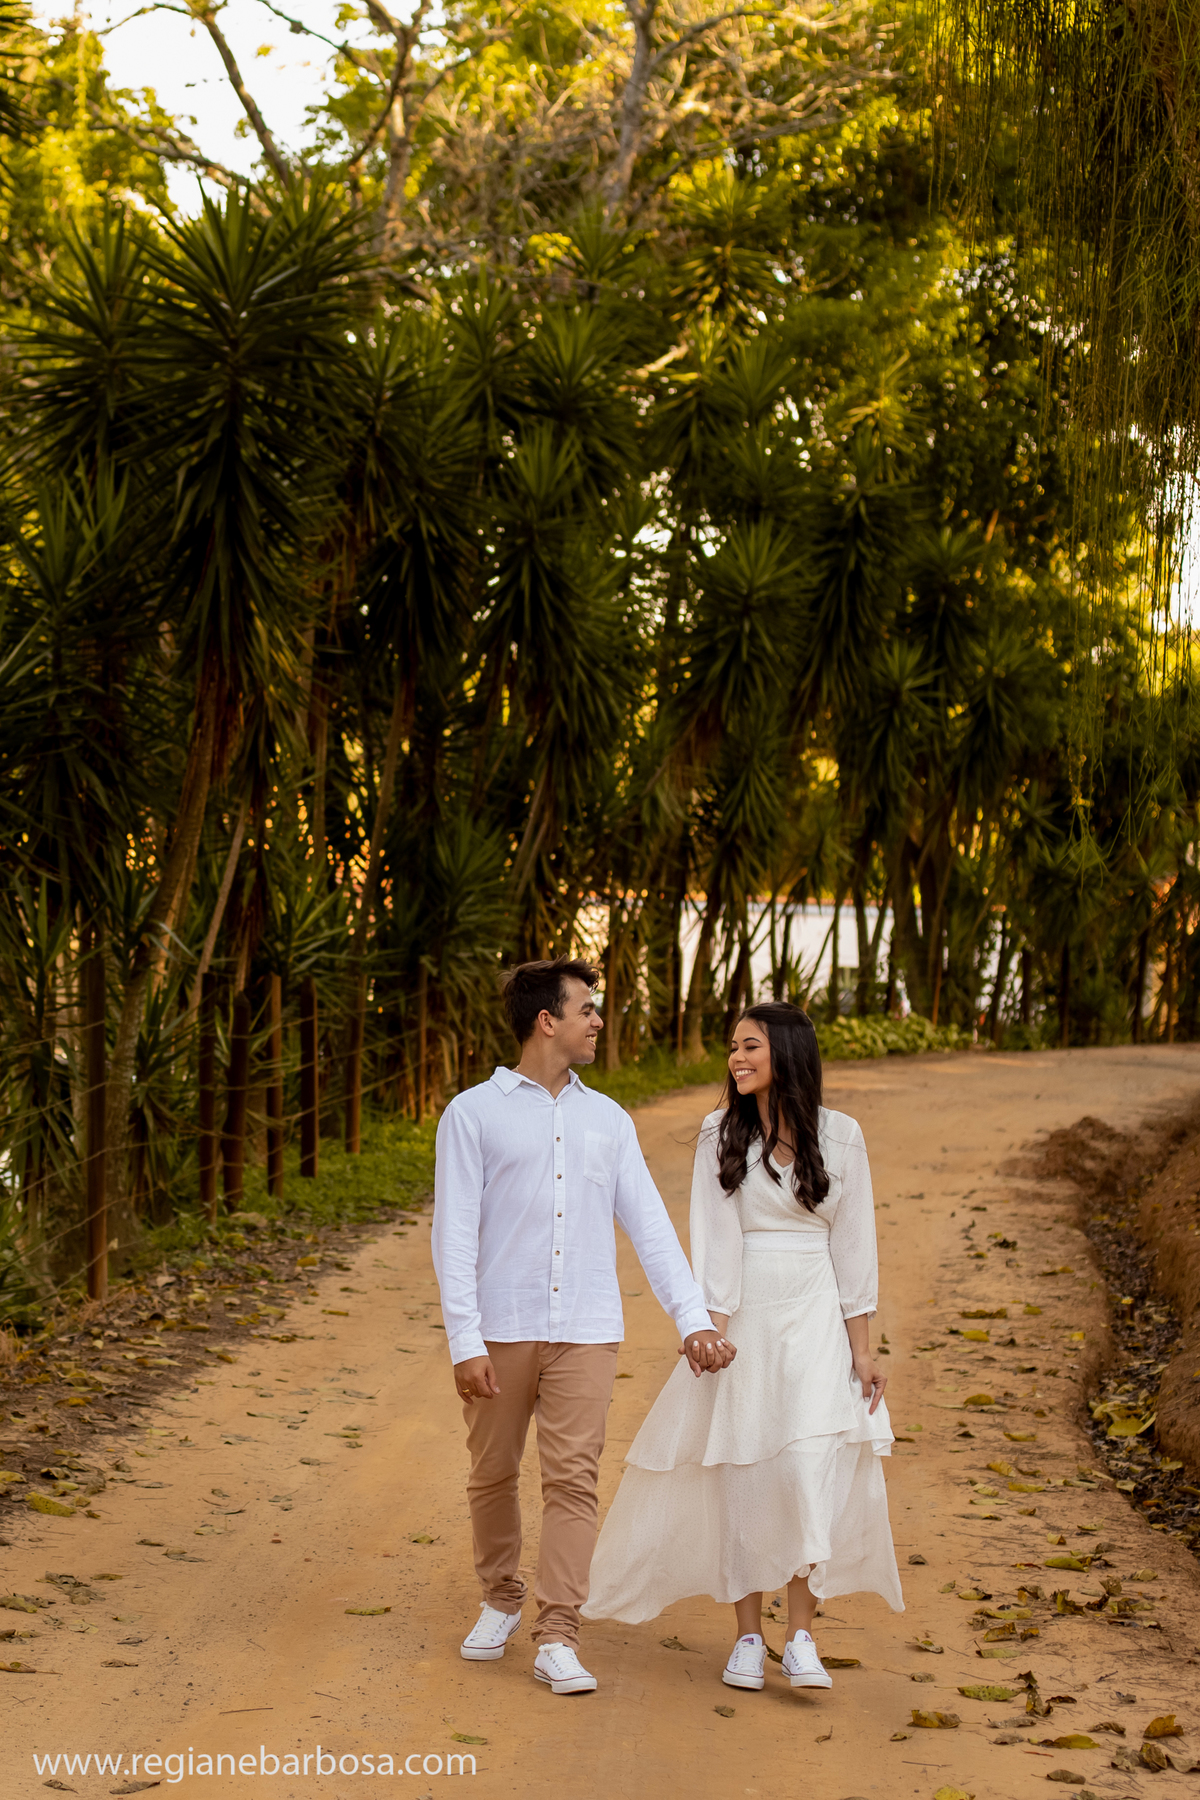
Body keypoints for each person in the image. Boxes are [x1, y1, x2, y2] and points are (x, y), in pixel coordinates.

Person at [431, 956, 735, 1698]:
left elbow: (651, 1228)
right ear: (548, 1021)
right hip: (501, 1327)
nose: (598, 1021)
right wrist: (464, 1341)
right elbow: (454, 1234)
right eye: (587, 1009)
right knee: (493, 1472)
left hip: (587, 1327)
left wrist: (692, 1320)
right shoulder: (472, 1114)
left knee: (573, 1481)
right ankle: (501, 1596)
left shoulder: (609, 1120)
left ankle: (558, 1630)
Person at [584, 1000, 904, 1691]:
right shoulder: (717, 1134)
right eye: (733, 1047)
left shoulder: (842, 1137)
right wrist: (710, 1331)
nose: (736, 1059)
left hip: (817, 1313)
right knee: (745, 1473)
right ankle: (746, 1638)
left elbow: (855, 1249)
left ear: (786, 1053)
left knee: (807, 1471)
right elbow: (716, 1238)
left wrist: (864, 1349)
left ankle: (803, 1640)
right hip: (750, 1316)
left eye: (750, 1046)